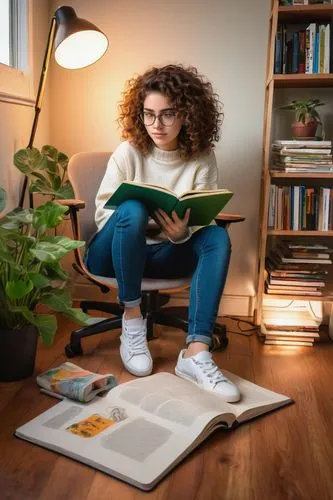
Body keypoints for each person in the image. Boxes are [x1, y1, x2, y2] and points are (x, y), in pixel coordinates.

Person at [86, 64, 240, 403]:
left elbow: (202, 217)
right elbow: (102, 215)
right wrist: (147, 222)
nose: (156, 124)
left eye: (167, 114)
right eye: (149, 114)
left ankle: (195, 353)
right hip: (112, 253)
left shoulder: (201, 157)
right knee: (132, 208)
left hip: (166, 254)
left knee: (216, 236)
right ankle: (132, 319)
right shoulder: (128, 152)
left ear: (187, 114)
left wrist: (182, 234)